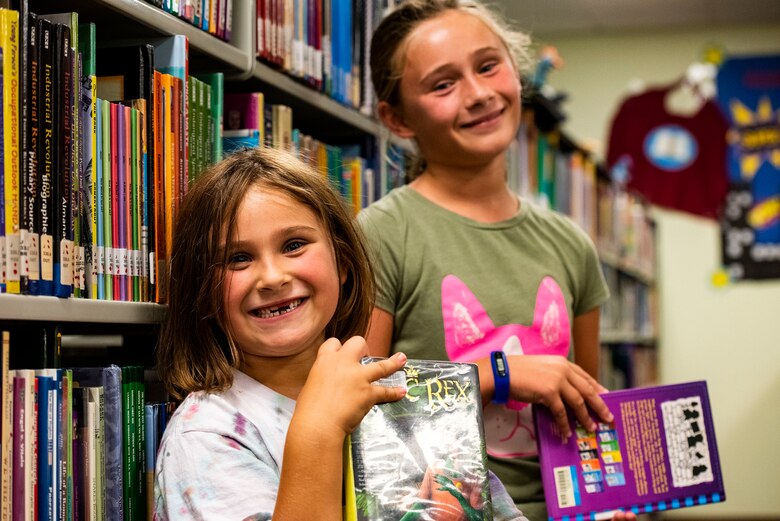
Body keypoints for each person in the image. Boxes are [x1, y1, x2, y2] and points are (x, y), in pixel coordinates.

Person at [360, 1, 634, 519]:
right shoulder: (381, 234)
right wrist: (498, 374)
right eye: (443, 84)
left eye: (488, 65)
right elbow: (360, 408)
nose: (480, 93)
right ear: (397, 119)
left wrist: (606, 503)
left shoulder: (571, 244)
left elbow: (583, 416)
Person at [152, 147, 528, 520]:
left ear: (343, 263)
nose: (272, 277)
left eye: (294, 245)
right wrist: (319, 428)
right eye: (238, 259)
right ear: (202, 292)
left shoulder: (412, 402)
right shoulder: (205, 437)